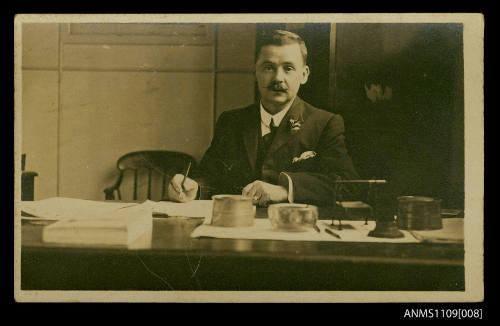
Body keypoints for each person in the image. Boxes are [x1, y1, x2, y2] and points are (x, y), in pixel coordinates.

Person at [167, 30, 359, 207]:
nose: (278, 78)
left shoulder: (325, 123)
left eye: (289, 68)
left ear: (304, 74)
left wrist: (285, 190)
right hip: (237, 231)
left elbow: (348, 184)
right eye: (268, 68)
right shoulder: (231, 122)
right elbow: (210, 177)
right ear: (255, 73)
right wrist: (194, 187)